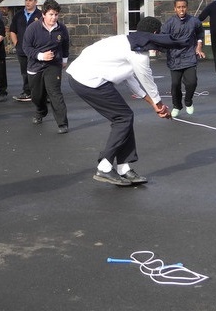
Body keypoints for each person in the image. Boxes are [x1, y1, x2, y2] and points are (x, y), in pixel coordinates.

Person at [66, 16, 190, 186]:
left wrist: (153, 104)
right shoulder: (138, 53)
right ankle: (104, 166)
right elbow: (147, 80)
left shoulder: (125, 41)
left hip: (80, 76)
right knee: (123, 118)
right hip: (87, 80)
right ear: (154, 34)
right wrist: (160, 105)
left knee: (125, 116)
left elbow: (131, 80)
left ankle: (124, 168)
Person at [22, 0, 70, 134]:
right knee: (37, 95)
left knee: (55, 92)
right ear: (43, 14)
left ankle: (62, 123)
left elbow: (65, 44)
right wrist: (40, 56)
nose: (54, 18)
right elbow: (26, 47)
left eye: (56, 14)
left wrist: (64, 59)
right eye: (51, 14)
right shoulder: (33, 28)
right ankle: (40, 111)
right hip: (35, 65)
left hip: (53, 65)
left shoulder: (61, 29)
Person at [161, 0, 205, 118]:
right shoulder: (169, 23)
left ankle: (188, 102)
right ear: (175, 8)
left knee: (192, 82)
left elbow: (201, 32)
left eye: (184, 7)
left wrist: (199, 46)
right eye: (179, 7)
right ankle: (177, 106)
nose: (181, 10)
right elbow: (162, 37)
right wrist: (158, 47)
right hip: (175, 58)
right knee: (175, 85)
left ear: (187, 7)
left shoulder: (194, 21)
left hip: (189, 56)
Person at [9, 0, 42, 102]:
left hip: (36, 50)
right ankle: (27, 92)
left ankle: (40, 94)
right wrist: (16, 43)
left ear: (36, 2)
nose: (27, 3)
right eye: (26, 0)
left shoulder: (40, 15)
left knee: (38, 72)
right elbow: (12, 31)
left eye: (30, 0)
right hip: (22, 50)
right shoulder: (18, 15)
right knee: (25, 72)